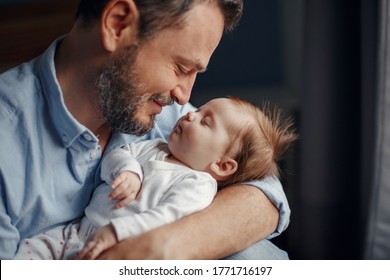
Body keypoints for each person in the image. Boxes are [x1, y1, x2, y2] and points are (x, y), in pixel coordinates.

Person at [0, 0, 291, 260]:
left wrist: (168, 245)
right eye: (180, 68)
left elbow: (263, 190)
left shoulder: (166, 114)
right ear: (118, 24)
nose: (184, 98)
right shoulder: (7, 137)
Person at [13, 97, 296, 260]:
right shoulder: (156, 146)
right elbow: (119, 154)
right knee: (32, 251)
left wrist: (117, 232)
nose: (188, 115)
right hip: (76, 230)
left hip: (118, 244)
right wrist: (129, 171)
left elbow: (165, 217)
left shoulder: (198, 185)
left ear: (221, 165)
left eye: (205, 121)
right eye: (198, 111)